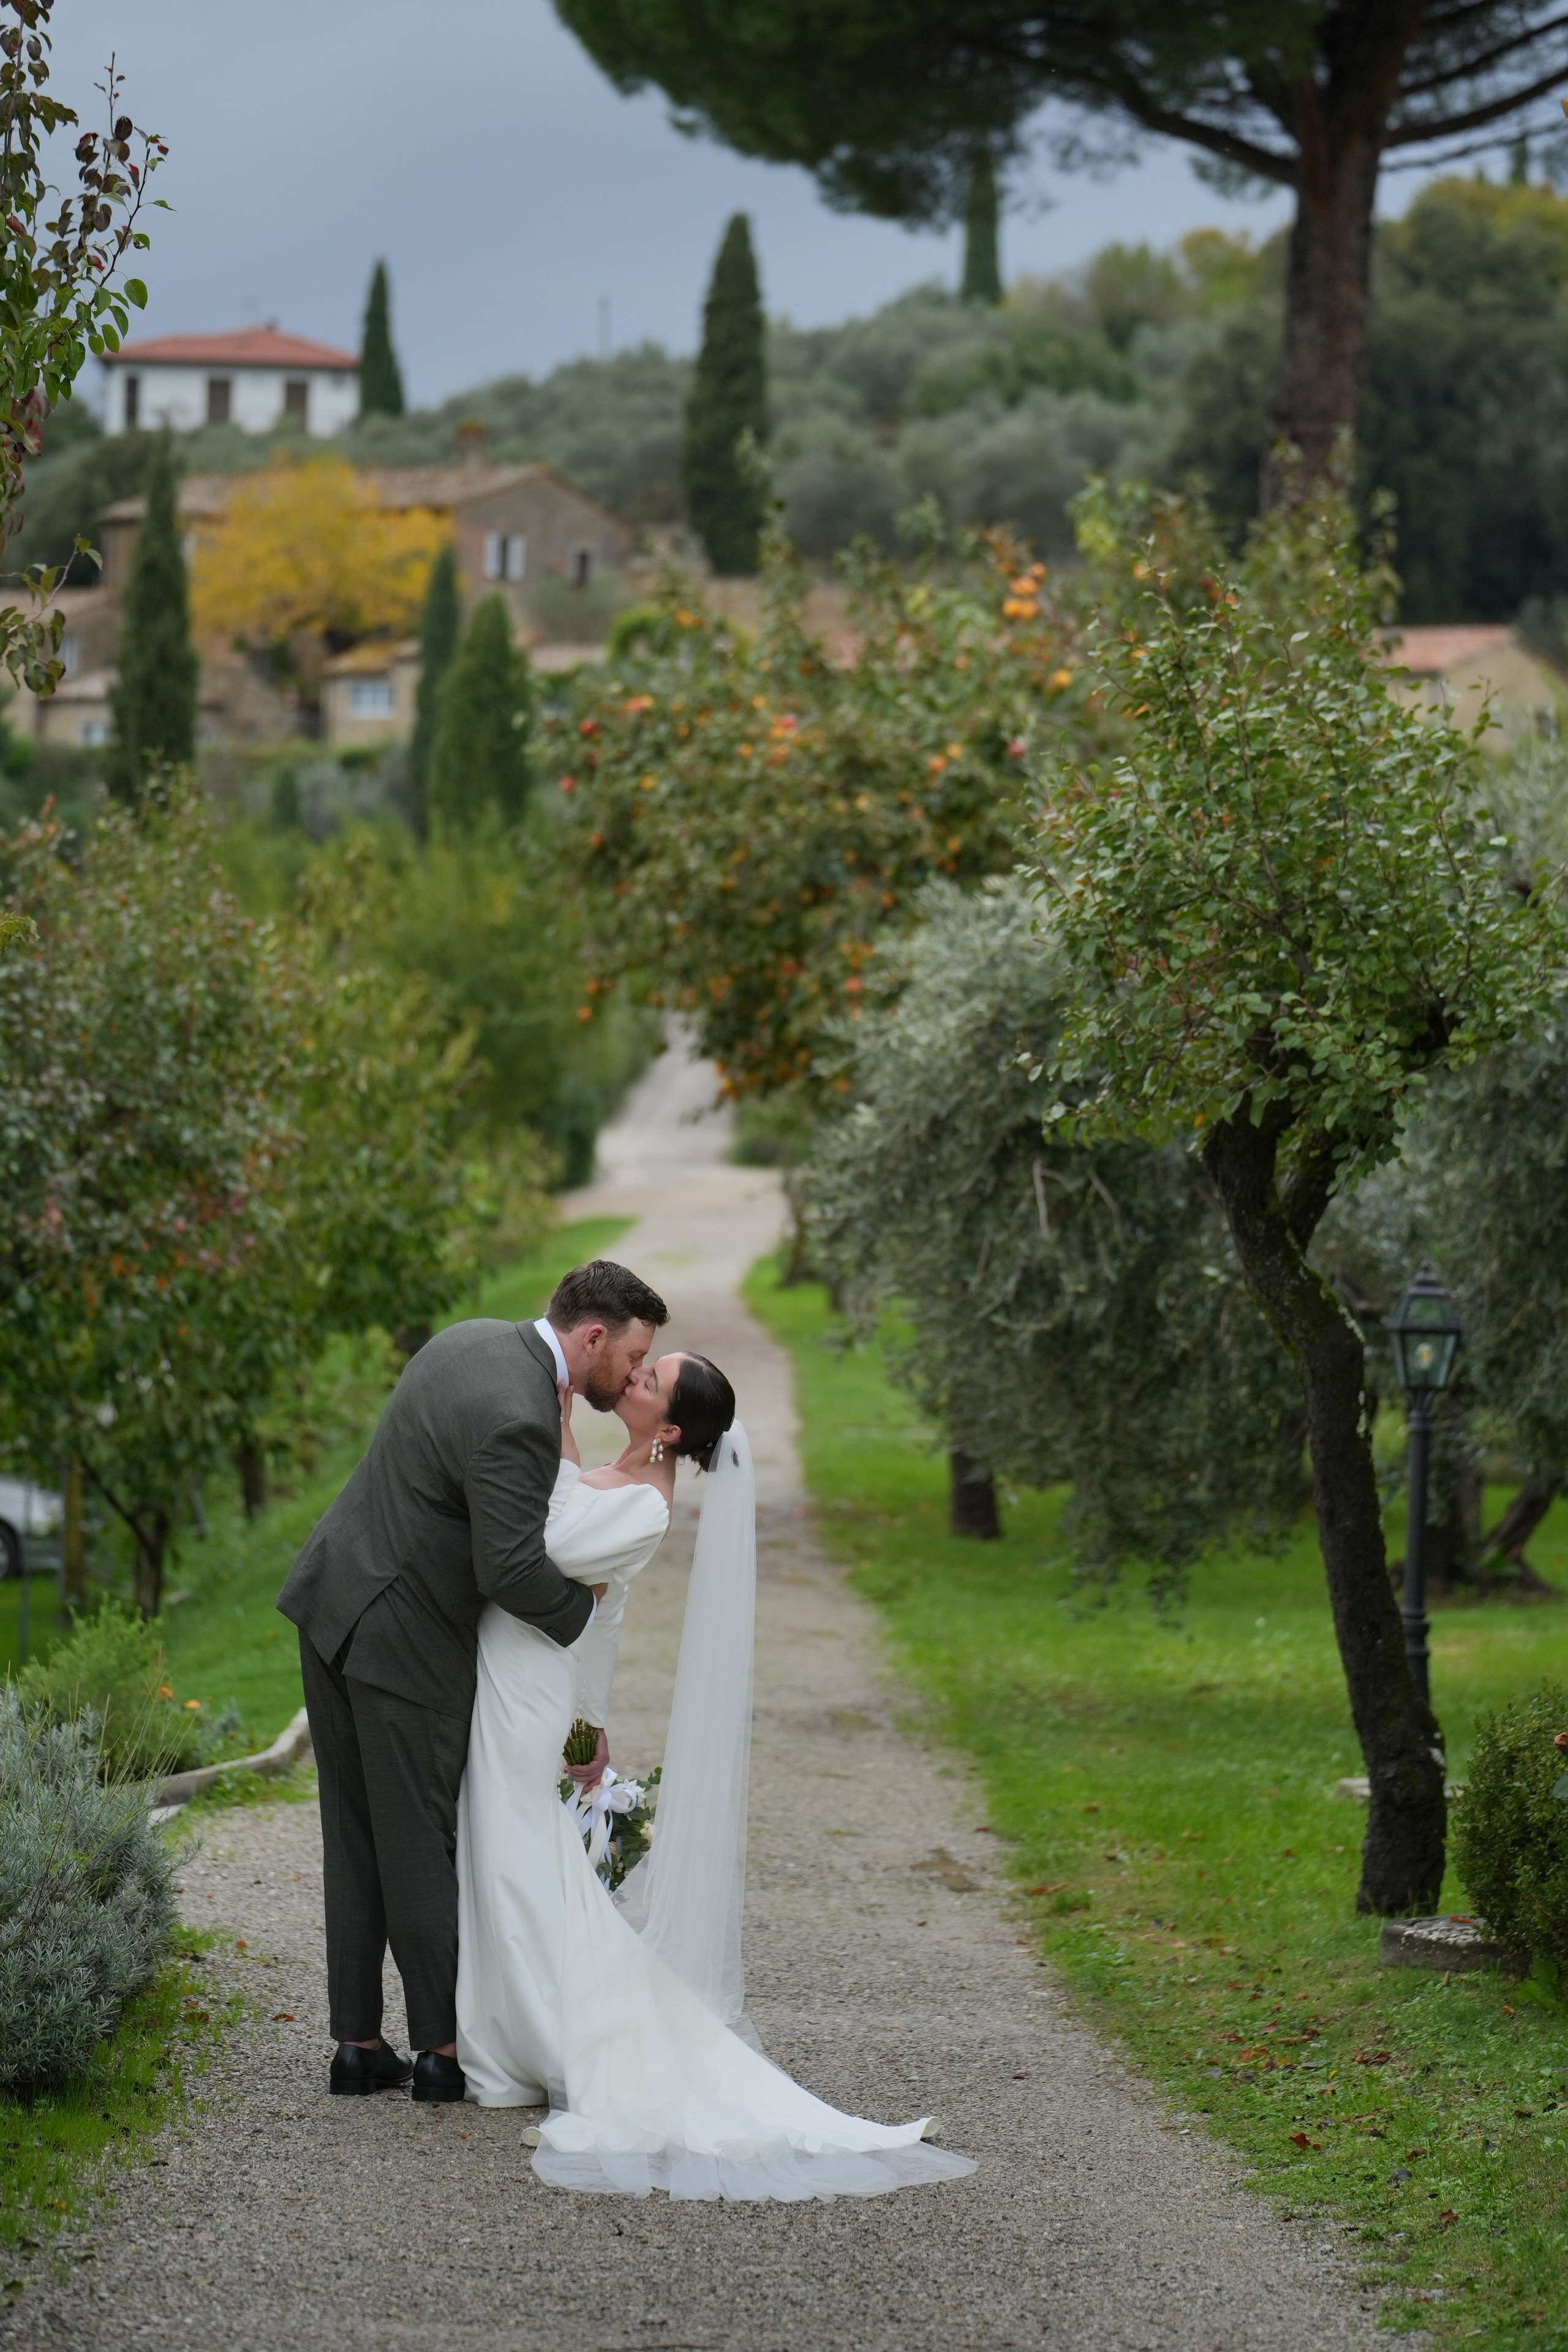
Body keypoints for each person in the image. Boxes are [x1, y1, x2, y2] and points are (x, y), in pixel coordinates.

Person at [454, 1348, 978, 2202]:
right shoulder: (618, 1470)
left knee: (519, 1860)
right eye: (641, 1366)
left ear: (667, 1430)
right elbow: (602, 1620)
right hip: (527, 1685)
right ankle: (508, 2035)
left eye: (649, 1381)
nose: (629, 1377)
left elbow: (540, 1545)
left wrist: (551, 1438)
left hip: (532, 1692)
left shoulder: (646, 1511)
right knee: (511, 1856)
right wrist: (592, 1725)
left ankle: (540, 2042)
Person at [277, 1261, 668, 2103]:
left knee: (352, 1830)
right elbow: (511, 1568)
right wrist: (587, 1608)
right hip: (399, 1639)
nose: (633, 1375)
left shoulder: (466, 1343)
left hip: (330, 1601)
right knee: (418, 1837)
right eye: (631, 1357)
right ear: (591, 1337)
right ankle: (440, 2053)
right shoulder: (521, 1415)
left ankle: (355, 2044)